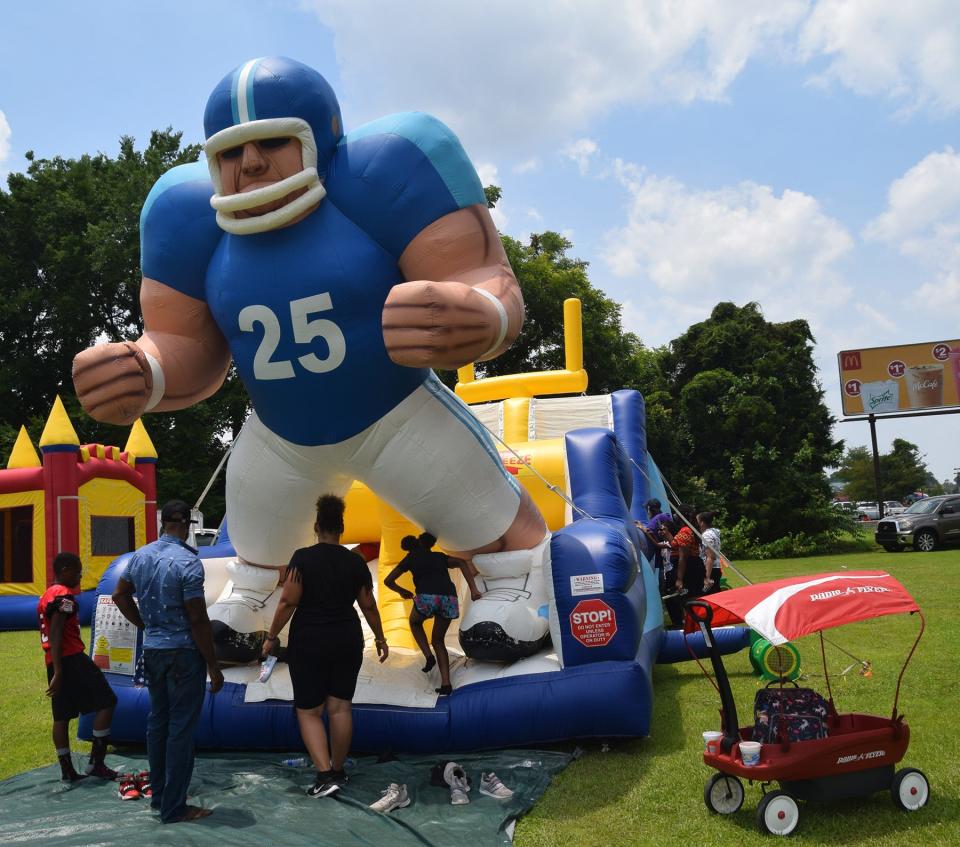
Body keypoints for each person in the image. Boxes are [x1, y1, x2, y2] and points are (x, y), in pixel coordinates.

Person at [72, 56, 548, 663]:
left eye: (272, 141)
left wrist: (478, 313)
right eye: (231, 152)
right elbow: (185, 342)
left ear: (317, 139)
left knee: (496, 534)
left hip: (396, 412)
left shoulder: (387, 166)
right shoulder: (184, 212)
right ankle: (254, 602)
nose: (249, 164)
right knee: (258, 558)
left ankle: (515, 585)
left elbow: (479, 275)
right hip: (279, 436)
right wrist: (145, 369)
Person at [261, 494, 388, 799]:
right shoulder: (355, 562)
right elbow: (368, 605)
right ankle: (339, 770)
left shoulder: (302, 558)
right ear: (341, 528)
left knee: (308, 711)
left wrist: (271, 635)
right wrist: (381, 637)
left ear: (317, 526)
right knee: (341, 706)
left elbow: (288, 600)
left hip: (310, 640)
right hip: (347, 638)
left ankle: (324, 774)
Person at [112, 499, 225, 824]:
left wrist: (144, 625)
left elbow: (120, 594)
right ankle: (174, 807)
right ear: (188, 525)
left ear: (163, 523)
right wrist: (213, 665)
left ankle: (160, 795)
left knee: (157, 722)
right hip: (183, 654)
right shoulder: (188, 562)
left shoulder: (141, 556)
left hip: (154, 650)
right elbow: (198, 619)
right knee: (180, 730)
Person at [38, 552, 118, 783]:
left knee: (61, 716)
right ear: (65, 570)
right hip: (71, 658)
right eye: (77, 570)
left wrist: (56, 668)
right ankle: (97, 763)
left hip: (54, 660)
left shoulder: (47, 594)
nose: (80, 574)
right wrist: (61, 672)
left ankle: (67, 771)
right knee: (107, 701)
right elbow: (56, 631)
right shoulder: (63, 596)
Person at [384, 532, 483, 695]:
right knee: (438, 640)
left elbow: (388, 581)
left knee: (415, 623)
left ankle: (428, 656)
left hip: (427, 598)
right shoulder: (439, 557)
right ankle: (446, 684)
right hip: (448, 599)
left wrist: (402, 591)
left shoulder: (410, 558)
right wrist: (473, 589)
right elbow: (461, 562)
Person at [659, 514, 706, 627]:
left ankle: (696, 624)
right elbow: (675, 545)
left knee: (689, 598)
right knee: (688, 598)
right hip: (691, 567)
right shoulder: (687, 530)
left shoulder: (685, 530)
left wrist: (679, 579)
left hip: (689, 569)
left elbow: (682, 556)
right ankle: (694, 624)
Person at [697, 511, 722, 593]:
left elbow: (710, 557)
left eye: (697, 521)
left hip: (711, 570)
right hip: (716, 568)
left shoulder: (706, 535)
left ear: (702, 523)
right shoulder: (714, 533)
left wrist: (707, 577)